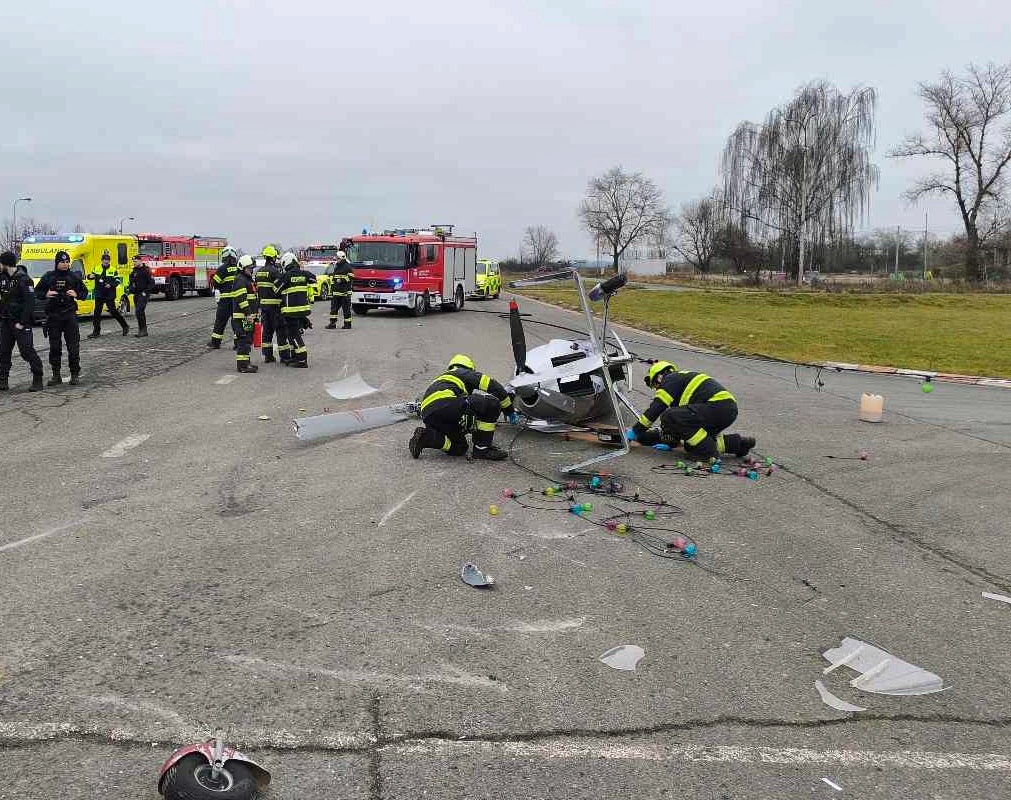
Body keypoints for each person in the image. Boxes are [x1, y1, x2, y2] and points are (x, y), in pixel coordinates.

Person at [627, 361, 755, 459]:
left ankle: (708, 453)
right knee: (691, 444)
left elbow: (656, 408)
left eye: (655, 385)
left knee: (669, 415)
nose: (657, 390)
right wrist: (671, 443)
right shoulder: (681, 382)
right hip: (727, 410)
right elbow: (680, 423)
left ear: (659, 377)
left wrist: (635, 431)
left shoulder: (671, 379)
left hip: (717, 406)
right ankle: (739, 444)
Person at [409, 354, 517, 461]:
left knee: (459, 448)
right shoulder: (462, 372)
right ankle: (482, 449)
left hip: (428, 414)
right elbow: (495, 387)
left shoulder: (440, 379)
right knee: (491, 403)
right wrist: (509, 410)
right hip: (447, 403)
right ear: (470, 368)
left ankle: (427, 437)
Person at [36, 250, 88, 386]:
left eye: (67, 262)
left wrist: (76, 293)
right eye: (62, 262)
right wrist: (46, 294)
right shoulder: (49, 276)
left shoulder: (74, 277)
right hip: (54, 315)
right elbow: (37, 292)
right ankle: (56, 375)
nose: (65, 264)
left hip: (69, 314)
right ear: (56, 263)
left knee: (73, 347)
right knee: (55, 347)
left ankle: (75, 374)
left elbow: (84, 293)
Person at [0, 250, 44, 391]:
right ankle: (3, 381)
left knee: (26, 351)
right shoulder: (3, 278)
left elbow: (30, 303)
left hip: (20, 322)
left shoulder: (23, 279)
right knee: (4, 351)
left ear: (6, 264)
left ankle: (38, 378)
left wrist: (22, 322)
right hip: (6, 321)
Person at [274, 252, 314, 368]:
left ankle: (302, 359)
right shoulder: (304, 274)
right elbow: (314, 279)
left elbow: (276, 290)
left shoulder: (286, 276)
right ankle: (296, 356)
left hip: (291, 311)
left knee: (293, 335)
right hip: (303, 310)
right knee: (295, 332)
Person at [86, 250, 129, 338]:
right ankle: (96, 332)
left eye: (108, 260)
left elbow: (117, 281)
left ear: (109, 261)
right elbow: (91, 276)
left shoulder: (113, 270)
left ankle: (125, 326)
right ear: (101, 261)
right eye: (104, 260)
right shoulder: (97, 268)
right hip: (99, 293)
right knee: (97, 313)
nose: (106, 261)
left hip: (109, 294)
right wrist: (90, 276)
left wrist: (111, 285)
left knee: (113, 311)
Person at [254, 245, 283, 362]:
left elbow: (257, 290)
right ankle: (284, 356)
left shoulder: (259, 272)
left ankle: (268, 356)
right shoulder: (275, 272)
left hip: (263, 307)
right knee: (280, 331)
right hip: (275, 306)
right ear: (273, 258)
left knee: (266, 332)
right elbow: (280, 288)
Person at [231, 255, 259, 373]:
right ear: (242, 267)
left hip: (247, 317)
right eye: (249, 268)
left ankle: (246, 362)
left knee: (247, 340)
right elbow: (242, 300)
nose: (251, 270)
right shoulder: (240, 280)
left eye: (252, 268)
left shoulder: (247, 280)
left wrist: (255, 315)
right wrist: (248, 314)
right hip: (242, 317)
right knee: (243, 340)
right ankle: (242, 366)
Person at [207, 246, 240, 348]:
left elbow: (215, 283)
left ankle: (215, 343)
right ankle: (238, 344)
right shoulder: (239, 268)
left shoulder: (222, 268)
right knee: (236, 322)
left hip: (225, 300)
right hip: (237, 300)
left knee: (220, 322)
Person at [124, 253, 155, 337]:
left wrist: (146, 292)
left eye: (136, 261)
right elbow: (131, 283)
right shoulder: (134, 271)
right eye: (133, 261)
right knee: (139, 312)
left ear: (140, 261)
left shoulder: (146, 270)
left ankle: (142, 330)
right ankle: (143, 329)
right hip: (136, 294)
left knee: (139, 311)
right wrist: (129, 290)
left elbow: (152, 283)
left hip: (143, 293)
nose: (134, 262)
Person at [325, 250, 354, 330]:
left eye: (337, 258)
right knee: (333, 309)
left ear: (341, 258)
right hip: (336, 292)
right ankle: (332, 323)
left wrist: (342, 279)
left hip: (345, 293)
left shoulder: (347, 266)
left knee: (346, 310)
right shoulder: (337, 266)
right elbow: (335, 276)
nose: (336, 260)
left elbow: (352, 276)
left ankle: (347, 324)